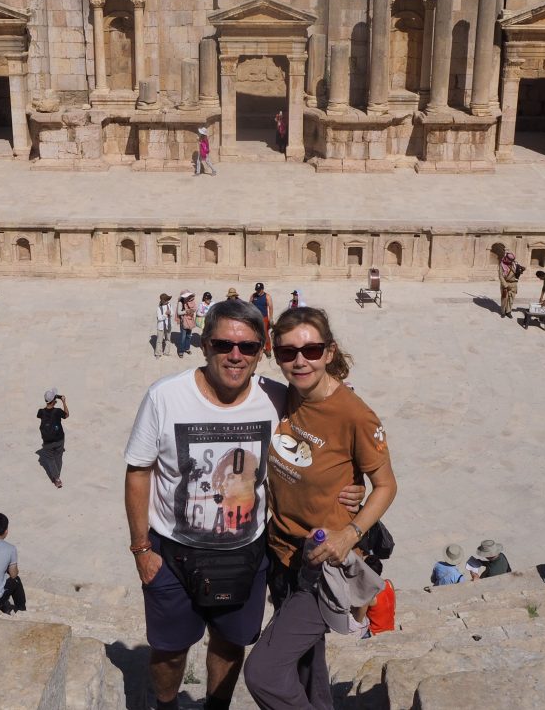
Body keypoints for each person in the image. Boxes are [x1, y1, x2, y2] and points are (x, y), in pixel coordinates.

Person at [124, 299, 365, 710]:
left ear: (260, 353)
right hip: (173, 552)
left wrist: (351, 484)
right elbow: (138, 471)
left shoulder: (277, 399)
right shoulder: (165, 396)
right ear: (205, 345)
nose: (235, 355)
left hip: (246, 553)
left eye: (248, 347)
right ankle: (166, 706)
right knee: (168, 649)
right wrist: (141, 549)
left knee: (230, 641)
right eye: (223, 344)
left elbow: (322, 443)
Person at [244, 306, 398, 710]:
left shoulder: (354, 414)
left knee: (263, 672)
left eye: (311, 350)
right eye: (288, 352)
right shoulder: (284, 396)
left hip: (324, 565)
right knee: (308, 664)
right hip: (282, 554)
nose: (300, 361)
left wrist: (350, 533)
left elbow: (386, 485)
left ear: (329, 352)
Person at [37, 389, 69, 488]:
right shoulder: (58, 411)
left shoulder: (40, 412)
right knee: (58, 457)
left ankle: (56, 478)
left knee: (50, 460)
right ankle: (57, 476)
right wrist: (63, 401)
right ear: (54, 400)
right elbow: (67, 415)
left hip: (47, 442)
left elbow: (40, 415)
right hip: (59, 439)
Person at [249, 282, 274, 359]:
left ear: (262, 289)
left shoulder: (267, 296)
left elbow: (270, 307)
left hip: (264, 318)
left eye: (259, 290)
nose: (258, 291)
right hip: (255, 317)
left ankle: (268, 350)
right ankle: (256, 348)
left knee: (265, 334)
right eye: (257, 289)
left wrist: (271, 318)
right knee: (254, 332)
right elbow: (249, 305)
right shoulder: (253, 296)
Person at [498, 250, 521, 318]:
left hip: (513, 284)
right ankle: (503, 312)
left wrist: (520, 270)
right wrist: (505, 285)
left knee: (511, 299)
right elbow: (501, 276)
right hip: (505, 283)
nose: (511, 262)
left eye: (512, 260)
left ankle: (508, 311)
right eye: (510, 260)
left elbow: (517, 273)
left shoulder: (515, 264)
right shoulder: (502, 264)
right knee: (504, 299)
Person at [176, 290, 197, 357]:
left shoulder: (191, 301)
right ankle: (181, 351)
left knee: (188, 336)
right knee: (183, 337)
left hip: (190, 320)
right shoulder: (180, 303)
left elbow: (195, 309)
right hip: (183, 321)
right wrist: (186, 311)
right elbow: (179, 312)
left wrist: (192, 311)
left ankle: (187, 348)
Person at [154, 292, 172, 358]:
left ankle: (166, 352)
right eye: (166, 300)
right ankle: (158, 353)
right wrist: (165, 314)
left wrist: (170, 313)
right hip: (161, 326)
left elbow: (171, 313)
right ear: (163, 301)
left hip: (168, 325)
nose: (168, 301)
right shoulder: (159, 308)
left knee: (168, 339)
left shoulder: (169, 305)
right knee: (159, 340)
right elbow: (159, 318)